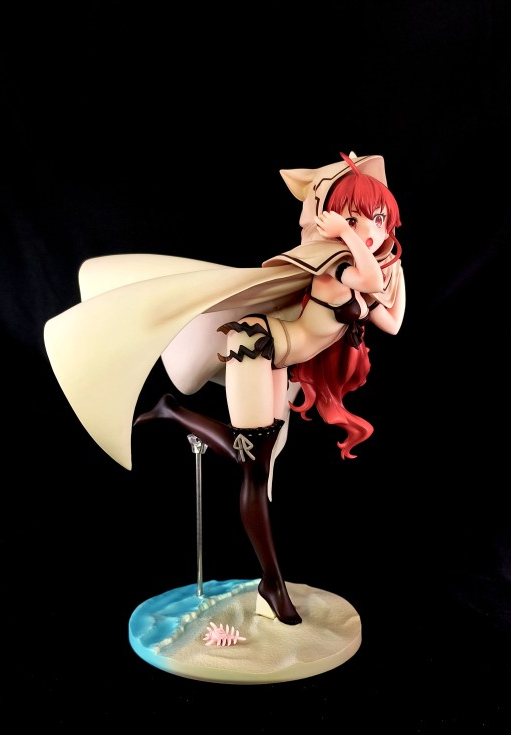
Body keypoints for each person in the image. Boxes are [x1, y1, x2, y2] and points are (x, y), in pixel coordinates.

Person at [44, 151, 405, 627]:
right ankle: (272, 584)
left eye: (378, 218)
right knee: (251, 465)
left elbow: (393, 322)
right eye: (354, 217)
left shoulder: (363, 272)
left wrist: (384, 255)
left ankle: (173, 412)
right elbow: (370, 275)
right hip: (258, 344)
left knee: (259, 459)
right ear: (330, 220)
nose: (369, 229)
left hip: (278, 357)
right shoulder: (334, 262)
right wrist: (350, 236)